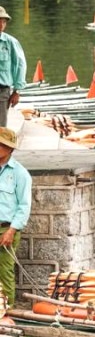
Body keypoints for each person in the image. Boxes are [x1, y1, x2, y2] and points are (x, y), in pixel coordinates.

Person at [0, 126, 31, 309]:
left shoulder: (19, 173)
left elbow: (24, 206)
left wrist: (12, 230)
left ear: (10, 149)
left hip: (6, 227)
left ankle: (8, 309)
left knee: (5, 270)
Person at [0, 6, 27, 128]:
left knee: (0, 128)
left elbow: (20, 66)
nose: (1, 24)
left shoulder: (11, 42)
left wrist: (17, 91)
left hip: (2, 91)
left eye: (4, 21)